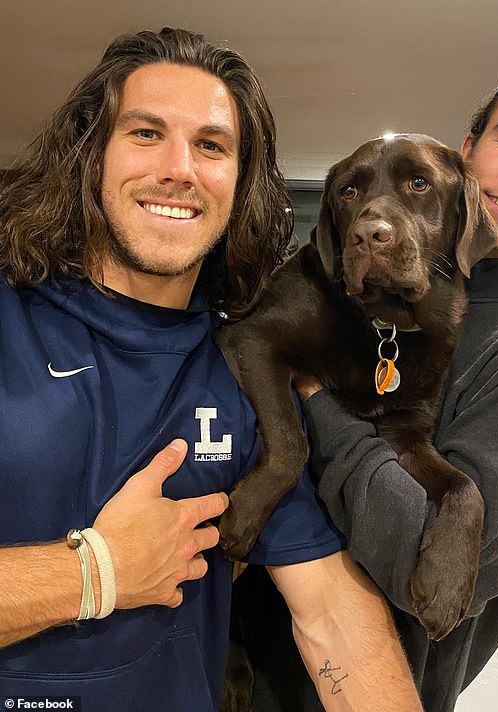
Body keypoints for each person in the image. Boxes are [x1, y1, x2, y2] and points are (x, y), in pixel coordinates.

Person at [0, 28, 424, 712]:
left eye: (211, 145)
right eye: (145, 133)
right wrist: (95, 573)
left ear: (242, 181)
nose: (180, 168)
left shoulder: (243, 370)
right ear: (91, 156)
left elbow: (330, 614)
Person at [234, 71, 498, 711]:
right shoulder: (389, 307)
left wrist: (313, 401)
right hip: (237, 649)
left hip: (360, 689)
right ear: (468, 154)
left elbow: (423, 574)